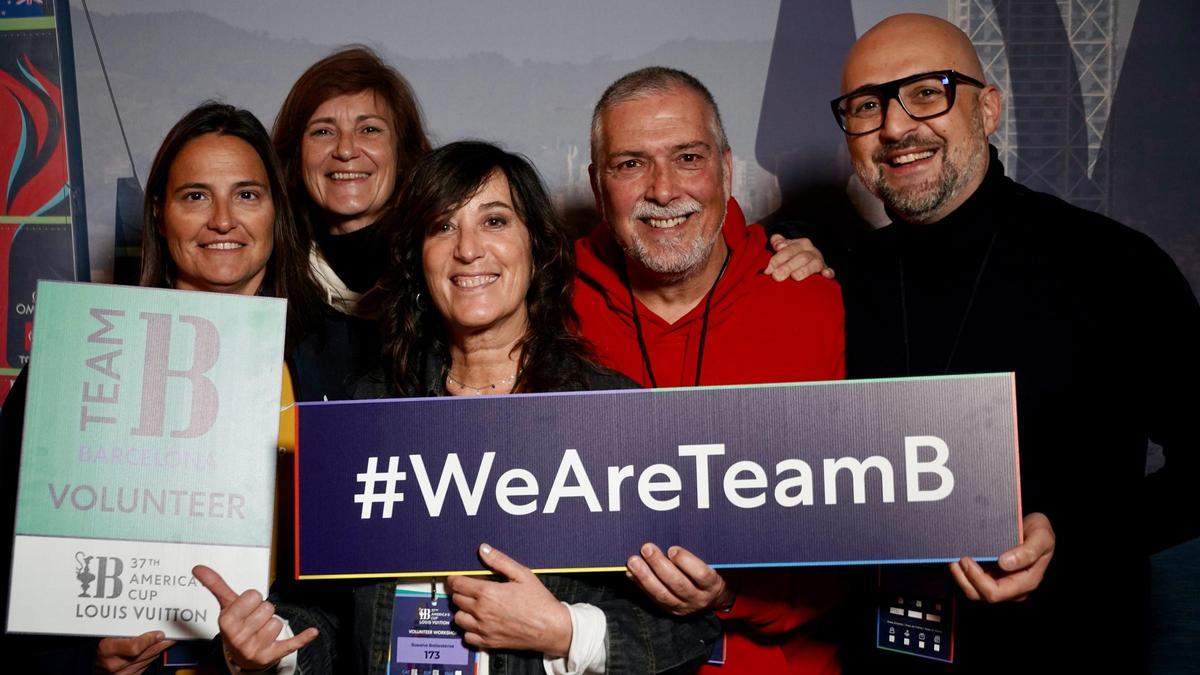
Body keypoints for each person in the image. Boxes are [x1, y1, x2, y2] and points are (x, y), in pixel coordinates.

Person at [828, 14, 1199, 671]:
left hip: (1070, 650)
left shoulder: (1117, 266)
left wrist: (1072, 537)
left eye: (926, 91)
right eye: (867, 105)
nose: (894, 126)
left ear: (989, 107)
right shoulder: (837, 282)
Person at [336, 140, 719, 675]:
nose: (468, 249)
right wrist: (271, 640)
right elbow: (323, 611)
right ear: (415, 258)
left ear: (536, 248)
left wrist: (566, 632)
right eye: (442, 227)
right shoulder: (363, 413)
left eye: (494, 221)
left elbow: (692, 631)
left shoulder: (616, 415)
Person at [0, 102, 344, 673]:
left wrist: (283, 647)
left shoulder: (341, 360)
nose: (223, 219)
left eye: (247, 194)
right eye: (195, 196)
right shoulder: (77, 354)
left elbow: (360, 595)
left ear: (276, 212)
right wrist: (85, 658)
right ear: (159, 213)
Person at [575, 66, 847, 674]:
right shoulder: (546, 311)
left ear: (726, 168)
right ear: (597, 186)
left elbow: (864, 534)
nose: (664, 190)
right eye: (630, 164)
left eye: (688, 157)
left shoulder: (814, 301)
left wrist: (731, 595)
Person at [272, 46, 432, 315]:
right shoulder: (269, 273)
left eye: (369, 130)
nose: (345, 150)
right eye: (323, 131)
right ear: (296, 155)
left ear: (401, 152)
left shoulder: (441, 271)